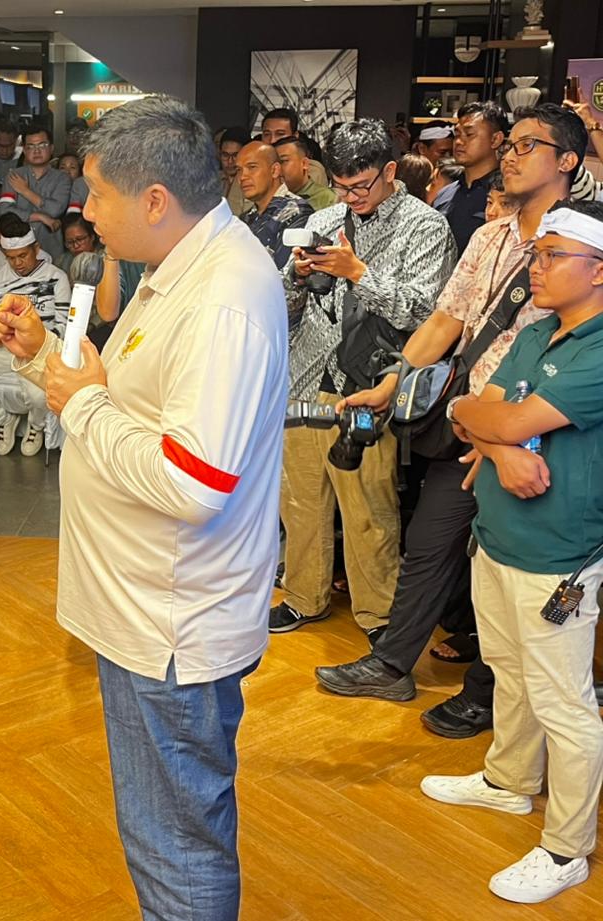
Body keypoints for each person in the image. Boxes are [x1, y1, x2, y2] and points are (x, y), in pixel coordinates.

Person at [0, 95, 288, 921]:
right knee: (166, 830)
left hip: (170, 625)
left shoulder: (221, 299)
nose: (83, 211)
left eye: (97, 194)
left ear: (155, 200)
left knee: (175, 843)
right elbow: (128, 399)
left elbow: (193, 480)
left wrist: (82, 403)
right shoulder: (179, 268)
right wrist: (44, 360)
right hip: (145, 609)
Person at [316, 105, 585, 734]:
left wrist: (505, 434)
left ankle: (488, 694)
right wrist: (391, 385)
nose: (511, 155)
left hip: (538, 433)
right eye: (510, 145)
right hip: (464, 418)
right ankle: (391, 663)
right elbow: (445, 322)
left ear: (568, 161)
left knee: (508, 568)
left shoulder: (580, 245)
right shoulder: (490, 237)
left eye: (528, 146)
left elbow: (572, 346)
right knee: (431, 544)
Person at [420, 199, 603, 905]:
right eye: (538, 253)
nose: (537, 266)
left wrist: (491, 426)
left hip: (560, 555)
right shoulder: (536, 332)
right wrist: (500, 450)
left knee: (565, 704)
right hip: (498, 535)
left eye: (554, 255)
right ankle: (509, 781)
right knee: (508, 671)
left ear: (598, 269)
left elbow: (513, 413)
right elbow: (472, 407)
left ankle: (566, 848)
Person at [271, 118, 457, 637]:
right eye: (341, 185)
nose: (350, 197)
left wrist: (358, 273)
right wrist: (297, 276)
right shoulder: (325, 219)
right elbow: (284, 307)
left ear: (390, 171)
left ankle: (378, 615)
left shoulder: (425, 227)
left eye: (360, 185)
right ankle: (304, 597)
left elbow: (425, 314)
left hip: (373, 385)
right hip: (307, 375)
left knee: (368, 509)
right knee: (300, 501)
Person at [0, 217, 69, 457]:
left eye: (23, 256)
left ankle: (36, 426)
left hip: (36, 350)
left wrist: (38, 343)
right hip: (1, 346)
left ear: (36, 249)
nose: (17, 263)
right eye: (10, 258)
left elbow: (63, 324)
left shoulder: (56, 277)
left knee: (39, 396)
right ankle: (3, 421)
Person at [435, 101, 510, 253]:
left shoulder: (508, 194)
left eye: (469, 134)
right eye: (457, 134)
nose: (459, 142)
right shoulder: (445, 194)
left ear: (496, 139)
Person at [235, 139, 314, 267]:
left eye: (252, 167)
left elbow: (287, 270)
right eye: (239, 170)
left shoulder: (297, 211)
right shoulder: (244, 219)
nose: (243, 177)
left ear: (275, 170)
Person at [0, 125, 71, 258]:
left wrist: (25, 191)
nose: (36, 151)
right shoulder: (13, 176)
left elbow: (55, 210)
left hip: (51, 248)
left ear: (51, 148)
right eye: (31, 146)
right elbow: (4, 211)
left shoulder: (62, 178)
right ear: (24, 150)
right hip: (18, 250)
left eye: (42, 145)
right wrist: (40, 217)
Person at [274, 135, 338, 212]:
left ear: (304, 163)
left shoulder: (329, 199)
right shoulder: (271, 200)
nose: (277, 168)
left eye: (283, 161)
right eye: (273, 164)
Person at [217, 126, 251, 216]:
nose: (230, 161)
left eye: (235, 155)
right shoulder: (212, 181)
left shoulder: (252, 183)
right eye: (225, 155)